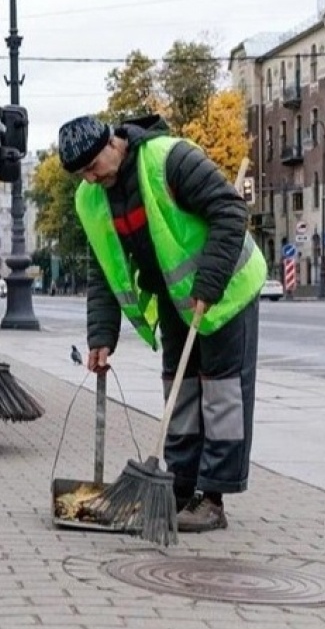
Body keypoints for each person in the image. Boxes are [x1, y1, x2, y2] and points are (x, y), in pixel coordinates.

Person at [58, 114, 267, 533]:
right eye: (80, 173)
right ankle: (177, 488)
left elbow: (229, 210)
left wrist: (210, 281)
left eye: (92, 167)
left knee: (222, 395)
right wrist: (101, 335)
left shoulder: (169, 158)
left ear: (112, 143)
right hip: (177, 299)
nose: (90, 178)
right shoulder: (91, 196)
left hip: (226, 287)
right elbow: (104, 268)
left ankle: (213, 499)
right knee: (180, 391)